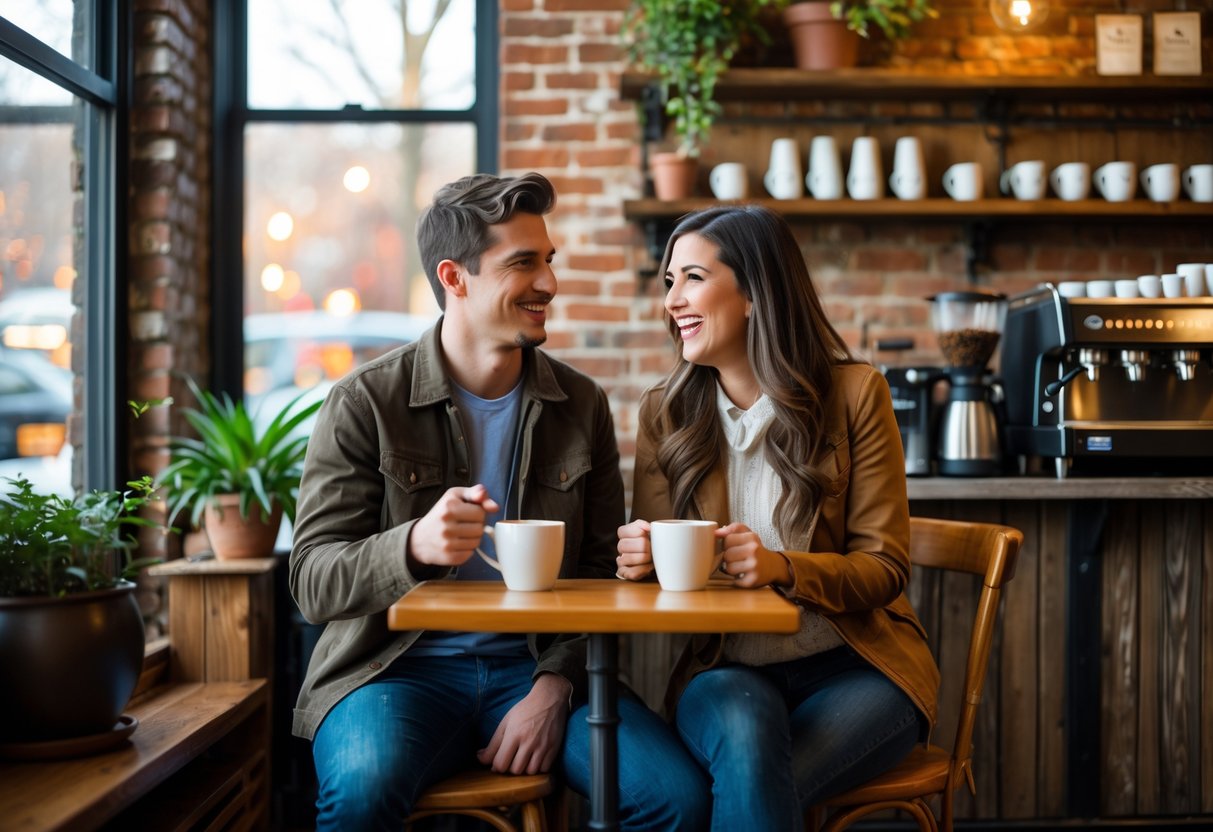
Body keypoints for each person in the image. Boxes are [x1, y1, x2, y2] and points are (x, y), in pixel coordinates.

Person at [289, 172, 707, 831]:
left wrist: (554, 686)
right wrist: (412, 547)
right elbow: (312, 581)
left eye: (547, 261)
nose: (547, 283)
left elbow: (599, 572)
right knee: (362, 794)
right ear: (454, 277)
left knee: (673, 798)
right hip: (394, 673)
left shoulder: (581, 405)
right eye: (522, 263)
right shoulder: (365, 402)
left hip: (534, 667)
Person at [616, 204, 941, 830]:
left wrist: (782, 568)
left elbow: (884, 568)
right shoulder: (667, 413)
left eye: (693, 279)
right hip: (726, 670)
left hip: (860, 667)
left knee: (747, 788)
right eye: (668, 282)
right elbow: (659, 575)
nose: (671, 301)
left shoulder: (854, 395)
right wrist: (639, 562)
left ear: (754, 294)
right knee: (748, 769)